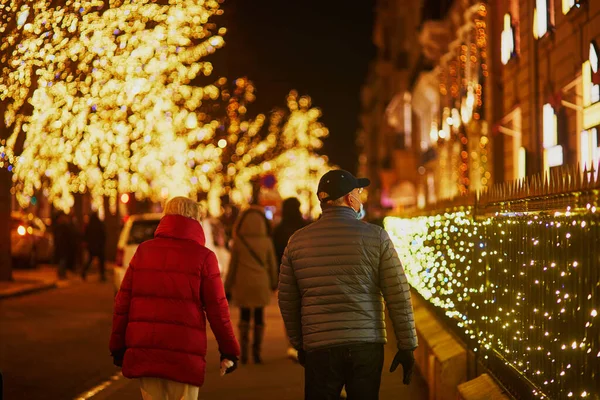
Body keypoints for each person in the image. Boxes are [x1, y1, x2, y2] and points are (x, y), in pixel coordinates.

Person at [278, 169, 418, 400]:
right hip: (366, 343)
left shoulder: (298, 242)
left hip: (320, 346)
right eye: (358, 192)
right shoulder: (376, 237)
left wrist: (300, 343)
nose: (360, 197)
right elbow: (398, 294)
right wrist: (407, 345)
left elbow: (287, 299)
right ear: (348, 198)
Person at [109, 197, 240, 400]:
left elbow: (123, 303)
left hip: (146, 350)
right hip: (184, 354)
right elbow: (218, 310)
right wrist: (229, 351)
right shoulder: (204, 257)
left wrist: (117, 346)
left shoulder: (143, 251)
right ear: (196, 219)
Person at [225, 205, 278, 365]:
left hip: (243, 283)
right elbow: (272, 264)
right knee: (259, 316)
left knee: (245, 316)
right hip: (261, 283)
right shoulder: (267, 241)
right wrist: (274, 282)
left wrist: (227, 287)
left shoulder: (239, 242)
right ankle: (257, 352)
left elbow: (232, 267)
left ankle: (245, 352)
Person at [272, 197, 308, 361]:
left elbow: (275, 254)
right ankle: (306, 341)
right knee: (305, 309)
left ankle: (293, 344)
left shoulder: (279, 229)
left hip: (286, 274)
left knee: (290, 310)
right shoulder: (306, 227)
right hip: (305, 272)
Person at [81, 212, 106, 282]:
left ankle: (84, 271)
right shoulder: (100, 225)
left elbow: (85, 235)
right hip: (99, 246)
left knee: (90, 260)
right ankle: (102, 275)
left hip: (91, 246)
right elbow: (103, 235)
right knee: (101, 261)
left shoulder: (89, 225)